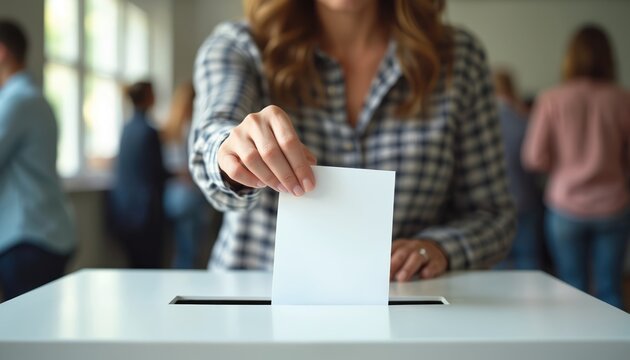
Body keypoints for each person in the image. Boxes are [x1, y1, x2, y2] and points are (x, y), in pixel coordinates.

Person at [190, 0, 515, 280]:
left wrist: (440, 248)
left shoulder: (459, 60)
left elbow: (492, 214)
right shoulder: (239, 46)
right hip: (254, 308)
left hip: (405, 309)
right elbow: (212, 133)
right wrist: (230, 152)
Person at [523, 24, 630, 308]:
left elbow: (533, 157)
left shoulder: (552, 99)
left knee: (571, 291)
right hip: (613, 204)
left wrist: (562, 163)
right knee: (610, 289)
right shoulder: (622, 98)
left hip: (565, 204)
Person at [0, 19, 75, 301]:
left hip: (26, 237)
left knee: (23, 339)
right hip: (46, 232)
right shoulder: (36, 99)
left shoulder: (15, 102)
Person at [110, 81, 168, 268]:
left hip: (123, 209)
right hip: (146, 213)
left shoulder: (126, 129)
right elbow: (157, 173)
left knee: (134, 267)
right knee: (150, 268)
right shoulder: (149, 132)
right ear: (148, 97)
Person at [493, 69, 544, 270]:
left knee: (498, 263)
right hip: (526, 200)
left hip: (495, 206)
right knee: (529, 262)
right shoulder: (527, 120)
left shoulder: (483, 123)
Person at [161, 83, 210, 268]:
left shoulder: (170, 129)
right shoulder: (192, 129)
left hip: (172, 196)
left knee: (181, 248)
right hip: (190, 195)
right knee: (191, 250)